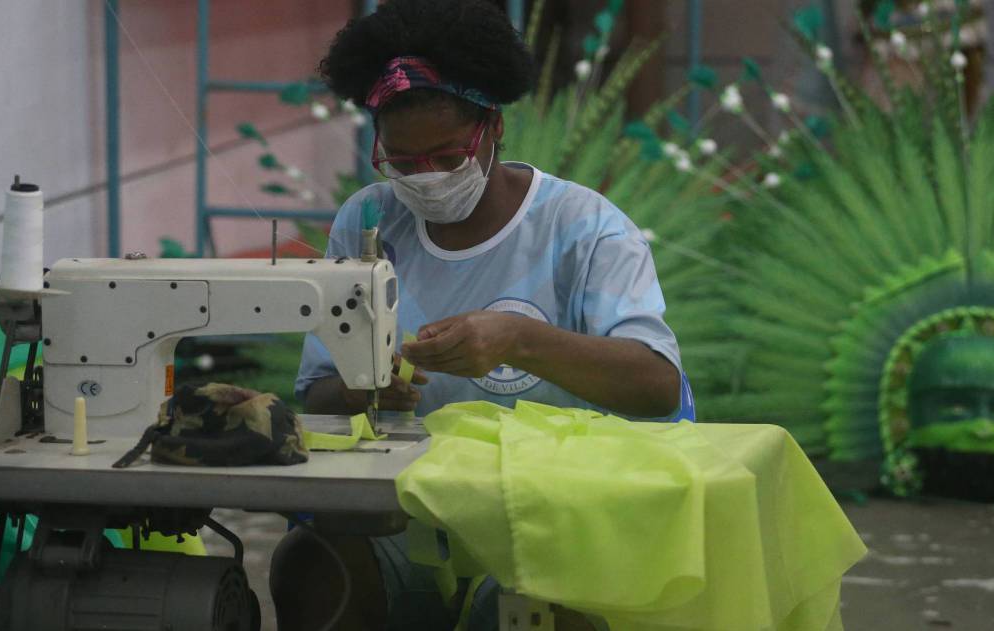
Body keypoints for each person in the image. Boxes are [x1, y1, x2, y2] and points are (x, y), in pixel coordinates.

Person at [271, 0, 686, 628]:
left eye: (445, 156)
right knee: (310, 563)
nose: (426, 179)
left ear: (492, 127)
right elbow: (319, 395)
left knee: (552, 600)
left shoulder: (583, 229)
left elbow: (657, 386)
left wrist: (521, 340)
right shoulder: (369, 220)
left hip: (553, 515)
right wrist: (370, 388)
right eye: (403, 163)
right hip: (411, 514)